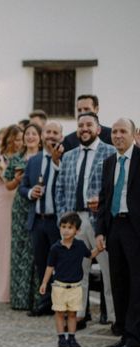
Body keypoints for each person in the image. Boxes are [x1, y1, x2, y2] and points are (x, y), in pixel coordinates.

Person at [55, 113, 116, 326]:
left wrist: (102, 203)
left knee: (109, 271)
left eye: (89, 124)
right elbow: (60, 189)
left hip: (99, 220)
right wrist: (64, 218)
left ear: (98, 129)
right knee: (78, 271)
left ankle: (113, 317)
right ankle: (78, 315)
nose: (84, 128)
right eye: (81, 125)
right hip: (75, 221)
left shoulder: (110, 152)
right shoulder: (69, 155)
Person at [95, 118, 140, 347]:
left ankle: (134, 340)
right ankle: (124, 333)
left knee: (136, 285)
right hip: (115, 228)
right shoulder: (109, 162)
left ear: (134, 134)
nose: (118, 135)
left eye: (123, 131)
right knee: (119, 282)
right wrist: (100, 231)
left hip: (136, 230)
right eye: (114, 131)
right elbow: (103, 199)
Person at [40, 212, 102, 347]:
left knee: (73, 313)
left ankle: (72, 337)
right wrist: (44, 283)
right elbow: (50, 267)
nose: (66, 230)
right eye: (63, 226)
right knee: (60, 313)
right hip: (59, 287)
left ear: (77, 230)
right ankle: (61, 337)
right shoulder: (55, 248)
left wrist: (98, 249)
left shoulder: (80, 246)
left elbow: (90, 255)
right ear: (60, 228)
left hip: (75, 287)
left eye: (70, 227)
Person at [20, 121, 64, 316]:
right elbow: (22, 187)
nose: (51, 135)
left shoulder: (65, 157)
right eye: (48, 132)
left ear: (60, 136)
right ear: (42, 135)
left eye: (55, 132)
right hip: (38, 220)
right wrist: (30, 193)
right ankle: (44, 302)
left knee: (60, 263)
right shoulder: (34, 160)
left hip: (57, 221)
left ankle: (60, 303)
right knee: (41, 263)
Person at [4, 123, 42, 311]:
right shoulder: (16, 158)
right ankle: (19, 299)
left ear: (40, 137)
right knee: (20, 251)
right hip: (20, 206)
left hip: (39, 206)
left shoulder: (44, 158)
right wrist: (18, 180)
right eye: (28, 134)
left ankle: (37, 298)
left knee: (35, 251)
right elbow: (8, 185)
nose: (30, 137)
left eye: (34, 134)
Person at [0, 125, 22, 302]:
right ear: (8, 138)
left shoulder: (23, 156)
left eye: (19, 139)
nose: (17, 142)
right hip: (2, 199)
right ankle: (1, 291)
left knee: (17, 244)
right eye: (14, 138)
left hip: (20, 199)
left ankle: (16, 289)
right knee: (2, 243)